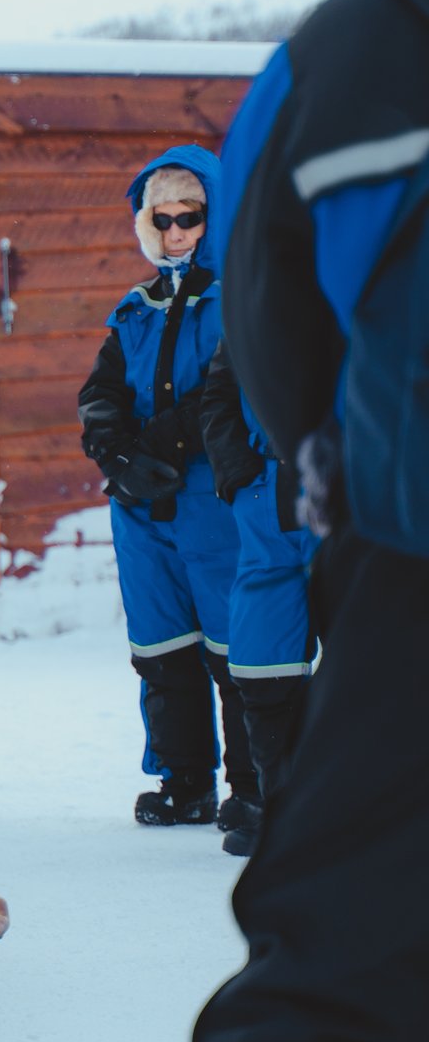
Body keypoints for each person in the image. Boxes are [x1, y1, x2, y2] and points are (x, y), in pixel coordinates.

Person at [139, 0, 429, 1042]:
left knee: (333, 970)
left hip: (414, 563)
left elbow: (270, 301)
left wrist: (326, 452)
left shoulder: (363, 40)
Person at [77, 147, 255, 830]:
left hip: (213, 500)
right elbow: (101, 392)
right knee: (161, 648)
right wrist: (113, 450)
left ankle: (254, 786)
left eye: (192, 216)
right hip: (142, 506)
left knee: (236, 649)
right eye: (165, 218)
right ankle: (185, 780)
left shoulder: (235, 298)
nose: (178, 230)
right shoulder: (135, 308)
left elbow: (225, 392)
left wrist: (153, 448)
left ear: (215, 216)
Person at [198, 340, 318, 855]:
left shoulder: (367, 272)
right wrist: (236, 473)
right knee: (260, 666)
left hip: (350, 496)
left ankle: (370, 813)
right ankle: (284, 808)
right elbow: (219, 395)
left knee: (372, 661)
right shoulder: (253, 293)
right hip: (266, 496)